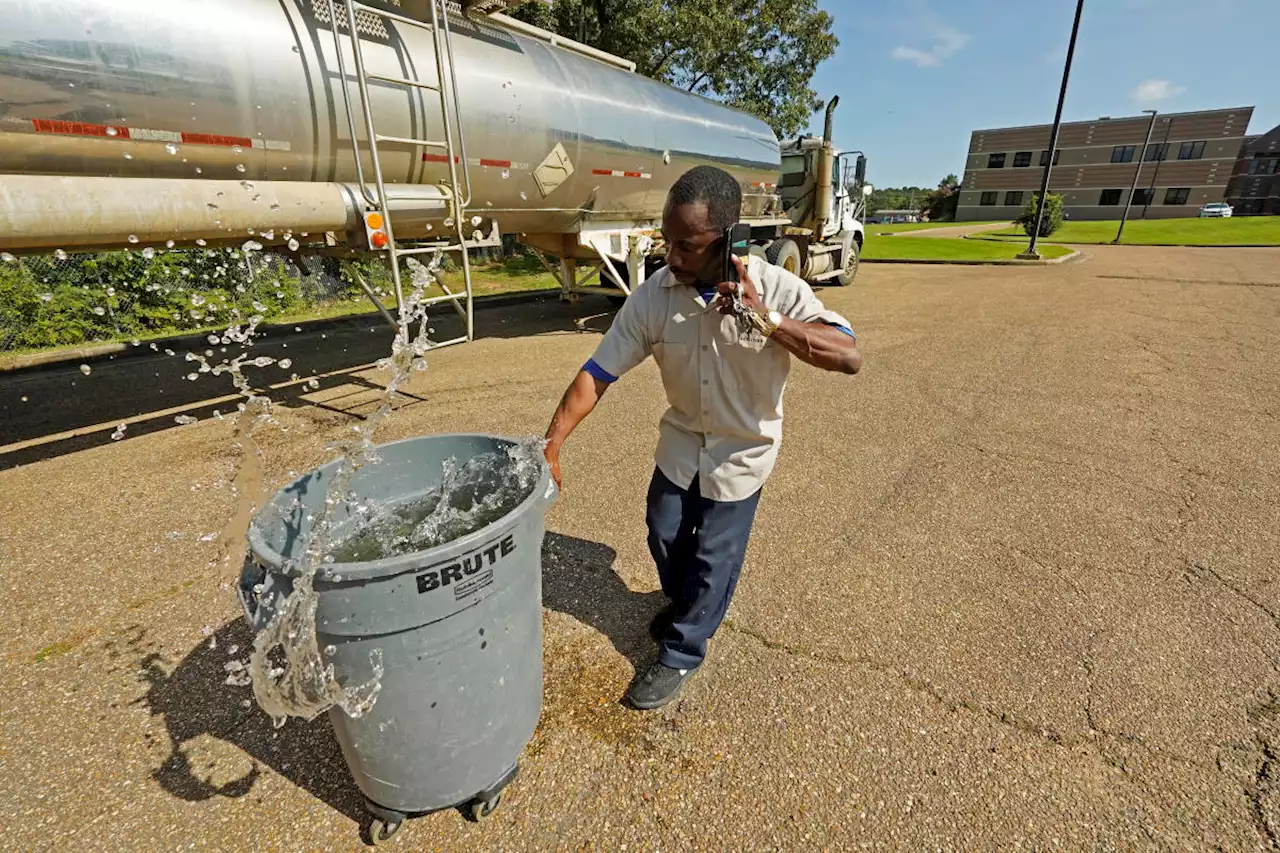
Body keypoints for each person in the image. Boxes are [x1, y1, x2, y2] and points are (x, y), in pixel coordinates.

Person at [542, 165, 861, 710]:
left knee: (714, 557)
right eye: (668, 241)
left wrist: (769, 321)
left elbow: (847, 355)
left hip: (742, 451)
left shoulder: (779, 288)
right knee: (664, 534)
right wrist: (550, 445)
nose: (673, 257)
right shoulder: (655, 295)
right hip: (682, 443)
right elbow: (597, 373)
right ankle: (689, 603)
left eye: (687, 246)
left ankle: (684, 649)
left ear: (730, 239)